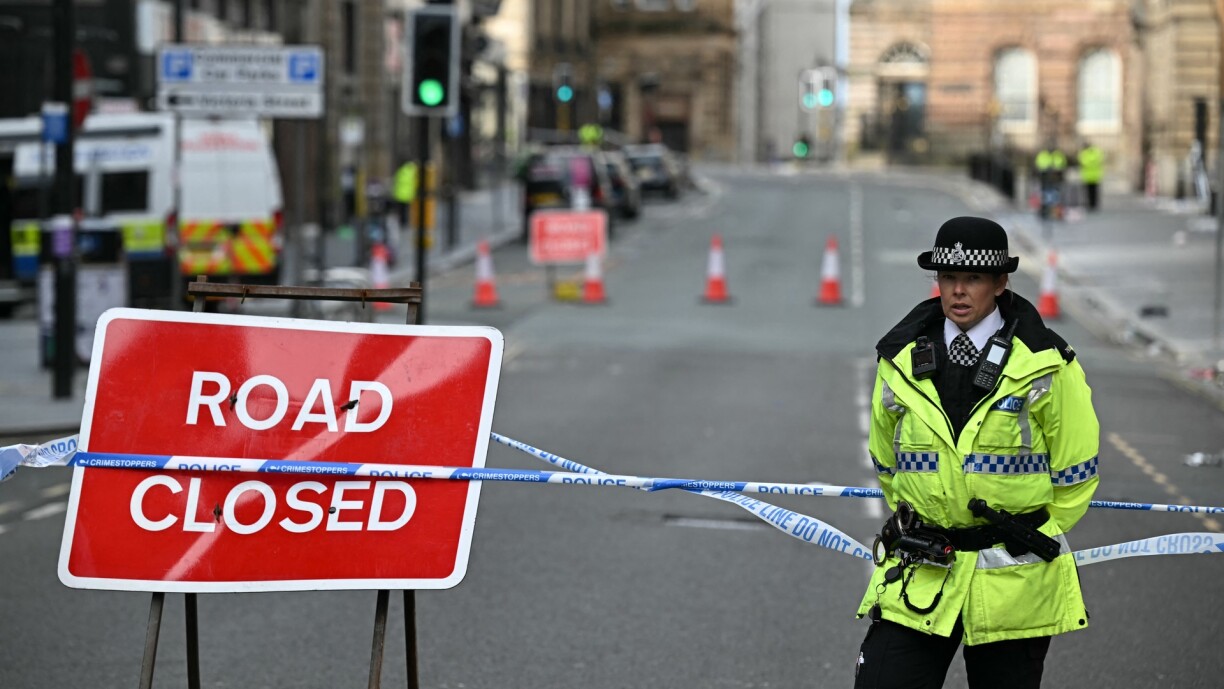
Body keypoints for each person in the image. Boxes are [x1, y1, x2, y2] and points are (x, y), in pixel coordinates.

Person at [853, 216, 1100, 689]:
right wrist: (928, 513)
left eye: (973, 279)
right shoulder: (900, 359)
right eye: (949, 278)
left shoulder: (1046, 364)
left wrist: (1022, 534)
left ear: (1000, 283)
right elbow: (886, 463)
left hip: (1012, 578)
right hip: (923, 566)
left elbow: (1078, 470)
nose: (959, 292)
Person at [1077, 141, 1104, 211]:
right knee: (1094, 192)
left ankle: (1090, 204)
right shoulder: (1097, 152)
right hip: (1095, 176)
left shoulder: (1084, 153)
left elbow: (1082, 162)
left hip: (1088, 176)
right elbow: (1101, 160)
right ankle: (1094, 204)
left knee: (1088, 192)